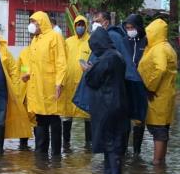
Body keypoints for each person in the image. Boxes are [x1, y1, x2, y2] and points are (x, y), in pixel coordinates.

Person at [74, 12, 147, 154]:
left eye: (98, 20)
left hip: (109, 99)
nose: (94, 23)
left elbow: (100, 73)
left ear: (106, 22)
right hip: (117, 98)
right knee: (116, 142)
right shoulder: (112, 42)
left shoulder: (111, 40)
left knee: (112, 145)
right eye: (93, 21)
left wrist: (89, 70)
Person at [85, 27, 128, 174]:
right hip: (120, 105)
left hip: (107, 106)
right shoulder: (119, 56)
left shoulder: (105, 59)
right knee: (115, 143)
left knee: (109, 143)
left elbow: (93, 81)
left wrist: (88, 70)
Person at [25, 11, 67, 156]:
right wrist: (27, 73)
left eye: (34, 22)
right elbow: (31, 61)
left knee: (53, 118)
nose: (32, 25)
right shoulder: (35, 40)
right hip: (37, 86)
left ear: (41, 22)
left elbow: (61, 61)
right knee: (40, 118)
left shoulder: (55, 37)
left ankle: (56, 153)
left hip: (50, 86)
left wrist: (59, 83)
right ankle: (41, 152)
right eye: (31, 22)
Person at [138, 19, 177, 166]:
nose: (147, 36)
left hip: (157, 96)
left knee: (158, 130)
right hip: (165, 94)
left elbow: (160, 68)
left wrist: (150, 87)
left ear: (155, 33)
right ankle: (160, 162)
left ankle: (157, 163)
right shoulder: (166, 47)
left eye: (149, 33)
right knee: (162, 129)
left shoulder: (159, 49)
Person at [60, 15, 91, 152]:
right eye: (78, 24)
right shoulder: (67, 42)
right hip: (69, 83)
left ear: (86, 26)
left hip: (86, 83)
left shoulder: (91, 41)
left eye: (82, 24)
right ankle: (66, 145)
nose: (80, 27)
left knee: (88, 115)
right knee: (67, 115)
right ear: (74, 25)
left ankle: (88, 145)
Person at [122, 14, 148, 156]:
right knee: (125, 117)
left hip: (140, 84)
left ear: (138, 27)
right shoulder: (124, 41)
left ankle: (137, 152)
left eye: (132, 27)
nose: (129, 30)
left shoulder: (146, 41)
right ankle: (124, 149)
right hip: (126, 83)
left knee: (139, 118)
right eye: (127, 28)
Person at [17, 34, 37, 150]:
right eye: (31, 37)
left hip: (37, 93)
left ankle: (39, 149)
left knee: (37, 121)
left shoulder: (42, 54)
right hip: (24, 93)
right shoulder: (23, 53)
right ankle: (23, 146)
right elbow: (19, 70)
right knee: (23, 121)